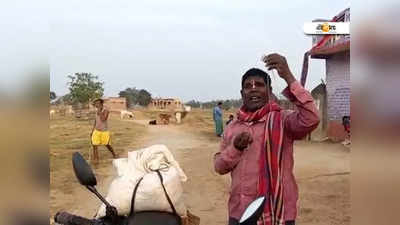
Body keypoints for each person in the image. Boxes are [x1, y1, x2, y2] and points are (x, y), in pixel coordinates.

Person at [214, 53, 320, 225]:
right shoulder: (232, 127)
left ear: (270, 91)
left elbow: (311, 118)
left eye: (260, 85)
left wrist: (288, 76)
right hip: (240, 212)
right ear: (242, 93)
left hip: (279, 213)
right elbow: (219, 167)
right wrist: (235, 149)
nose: (254, 88)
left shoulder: (283, 120)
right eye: (248, 86)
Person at [91, 98, 117, 163]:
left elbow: (103, 119)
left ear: (101, 104)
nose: (96, 105)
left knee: (107, 145)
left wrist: (100, 111)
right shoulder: (96, 111)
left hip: (104, 131)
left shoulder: (106, 111)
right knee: (94, 145)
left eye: (97, 103)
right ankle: (96, 159)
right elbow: (95, 121)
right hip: (96, 131)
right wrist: (92, 131)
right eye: (95, 103)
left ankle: (114, 154)